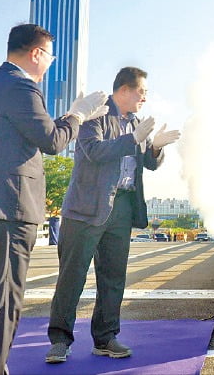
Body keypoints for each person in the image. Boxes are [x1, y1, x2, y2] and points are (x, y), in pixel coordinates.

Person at [0, 23, 108, 375]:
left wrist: (74, 117)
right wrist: (79, 114)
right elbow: (52, 142)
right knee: (4, 299)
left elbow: (34, 131)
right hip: (6, 205)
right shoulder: (22, 85)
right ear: (37, 53)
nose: (50, 63)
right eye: (50, 55)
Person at [46, 67, 180, 363]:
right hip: (85, 209)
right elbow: (95, 151)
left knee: (113, 277)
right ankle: (59, 340)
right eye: (141, 91)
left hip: (121, 208)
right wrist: (134, 139)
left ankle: (105, 338)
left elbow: (148, 163)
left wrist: (155, 146)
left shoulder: (136, 123)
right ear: (123, 90)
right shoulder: (95, 114)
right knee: (72, 277)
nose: (145, 97)